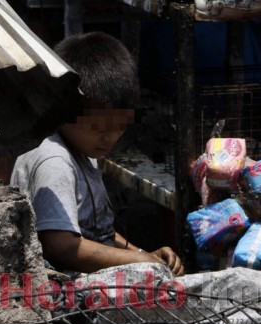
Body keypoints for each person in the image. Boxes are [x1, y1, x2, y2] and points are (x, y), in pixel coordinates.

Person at [10, 32, 184, 277]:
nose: (110, 138)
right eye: (99, 128)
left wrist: (146, 254)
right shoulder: (55, 161)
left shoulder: (83, 149)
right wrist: (139, 260)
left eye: (119, 127)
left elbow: (97, 231)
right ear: (63, 110)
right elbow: (61, 245)